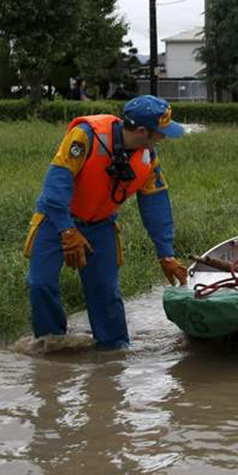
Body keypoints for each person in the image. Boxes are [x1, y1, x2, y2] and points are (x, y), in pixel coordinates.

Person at [23, 94, 188, 350]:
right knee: (40, 283)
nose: (164, 138)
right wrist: (67, 231)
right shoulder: (84, 136)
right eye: (161, 132)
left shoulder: (148, 158)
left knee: (105, 292)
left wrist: (165, 253)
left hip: (101, 225)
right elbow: (56, 185)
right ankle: (51, 343)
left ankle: (113, 354)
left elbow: (156, 206)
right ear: (143, 131)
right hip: (56, 219)